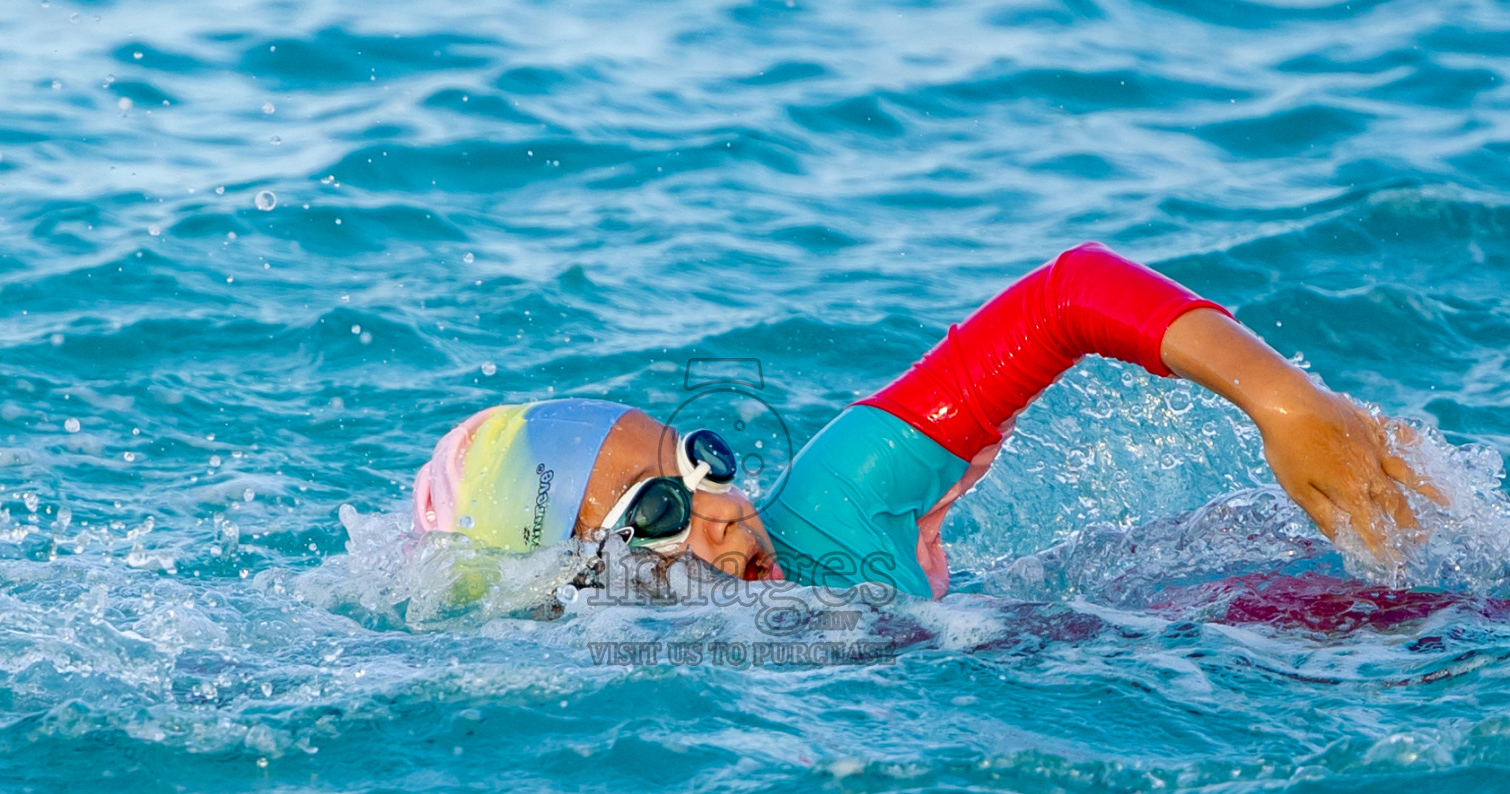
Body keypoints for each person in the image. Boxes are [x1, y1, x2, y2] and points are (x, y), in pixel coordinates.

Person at [412, 242, 1440, 600]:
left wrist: (1287, 403)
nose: (721, 512)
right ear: (565, 580)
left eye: (704, 460)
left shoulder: (830, 512)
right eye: (655, 512)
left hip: (1159, 643)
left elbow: (1067, 298)